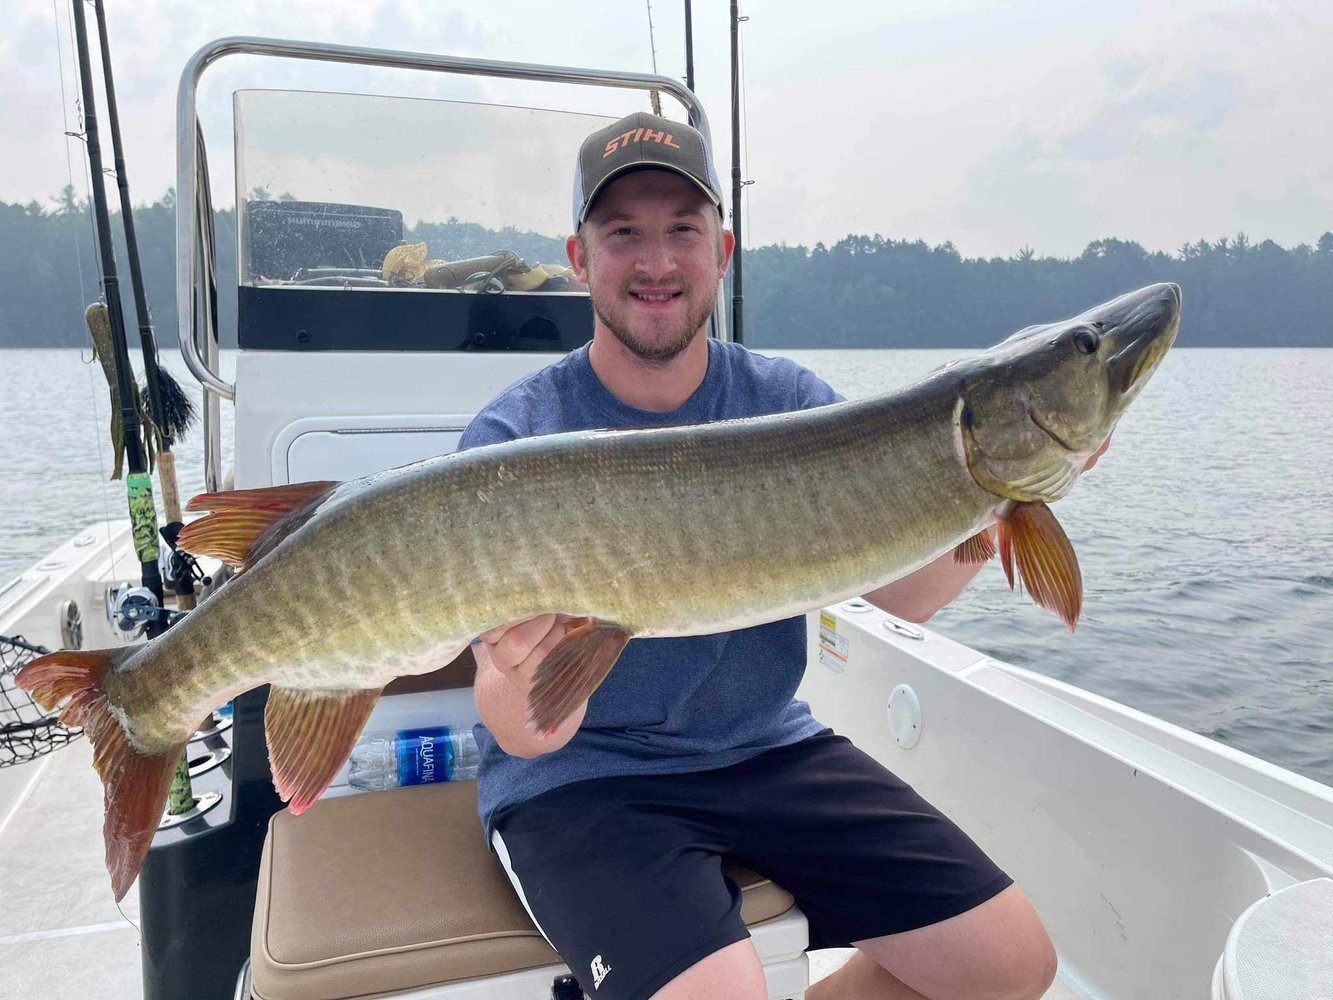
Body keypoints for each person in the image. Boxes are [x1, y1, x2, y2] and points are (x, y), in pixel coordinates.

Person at [461, 111, 1075, 1000]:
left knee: (1012, 966)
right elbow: (518, 729)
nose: (657, 262)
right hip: (581, 778)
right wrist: (522, 681)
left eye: (683, 230)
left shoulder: (790, 404)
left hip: (765, 750)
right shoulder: (517, 438)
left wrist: (999, 492)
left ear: (723, 250)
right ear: (578, 256)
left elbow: (898, 596)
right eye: (623, 232)